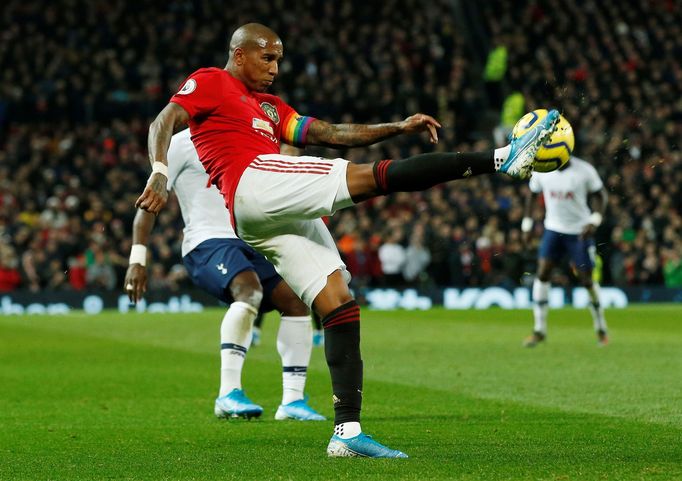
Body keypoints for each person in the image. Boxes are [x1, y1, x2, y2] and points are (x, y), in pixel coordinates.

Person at [135, 23, 558, 457]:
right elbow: (163, 120)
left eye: (280, 59)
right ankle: (503, 158)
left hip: (262, 216)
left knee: (337, 300)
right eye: (268, 58)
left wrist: (398, 125)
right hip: (251, 182)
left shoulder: (271, 109)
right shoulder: (211, 81)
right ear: (239, 54)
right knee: (372, 178)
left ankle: (347, 433)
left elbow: (331, 133)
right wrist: (160, 171)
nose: (275, 67)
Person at [124, 128, 325, 421]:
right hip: (207, 241)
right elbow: (149, 203)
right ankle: (228, 393)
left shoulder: (243, 133)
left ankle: (292, 401)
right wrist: (137, 259)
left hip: (253, 239)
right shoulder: (180, 144)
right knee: (249, 291)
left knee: (295, 301)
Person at [521, 155, 609, 347]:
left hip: (579, 232)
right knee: (542, 273)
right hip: (553, 229)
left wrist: (594, 220)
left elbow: (601, 195)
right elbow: (531, 194)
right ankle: (539, 330)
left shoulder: (584, 170)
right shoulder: (542, 169)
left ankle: (601, 327)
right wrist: (527, 225)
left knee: (586, 280)